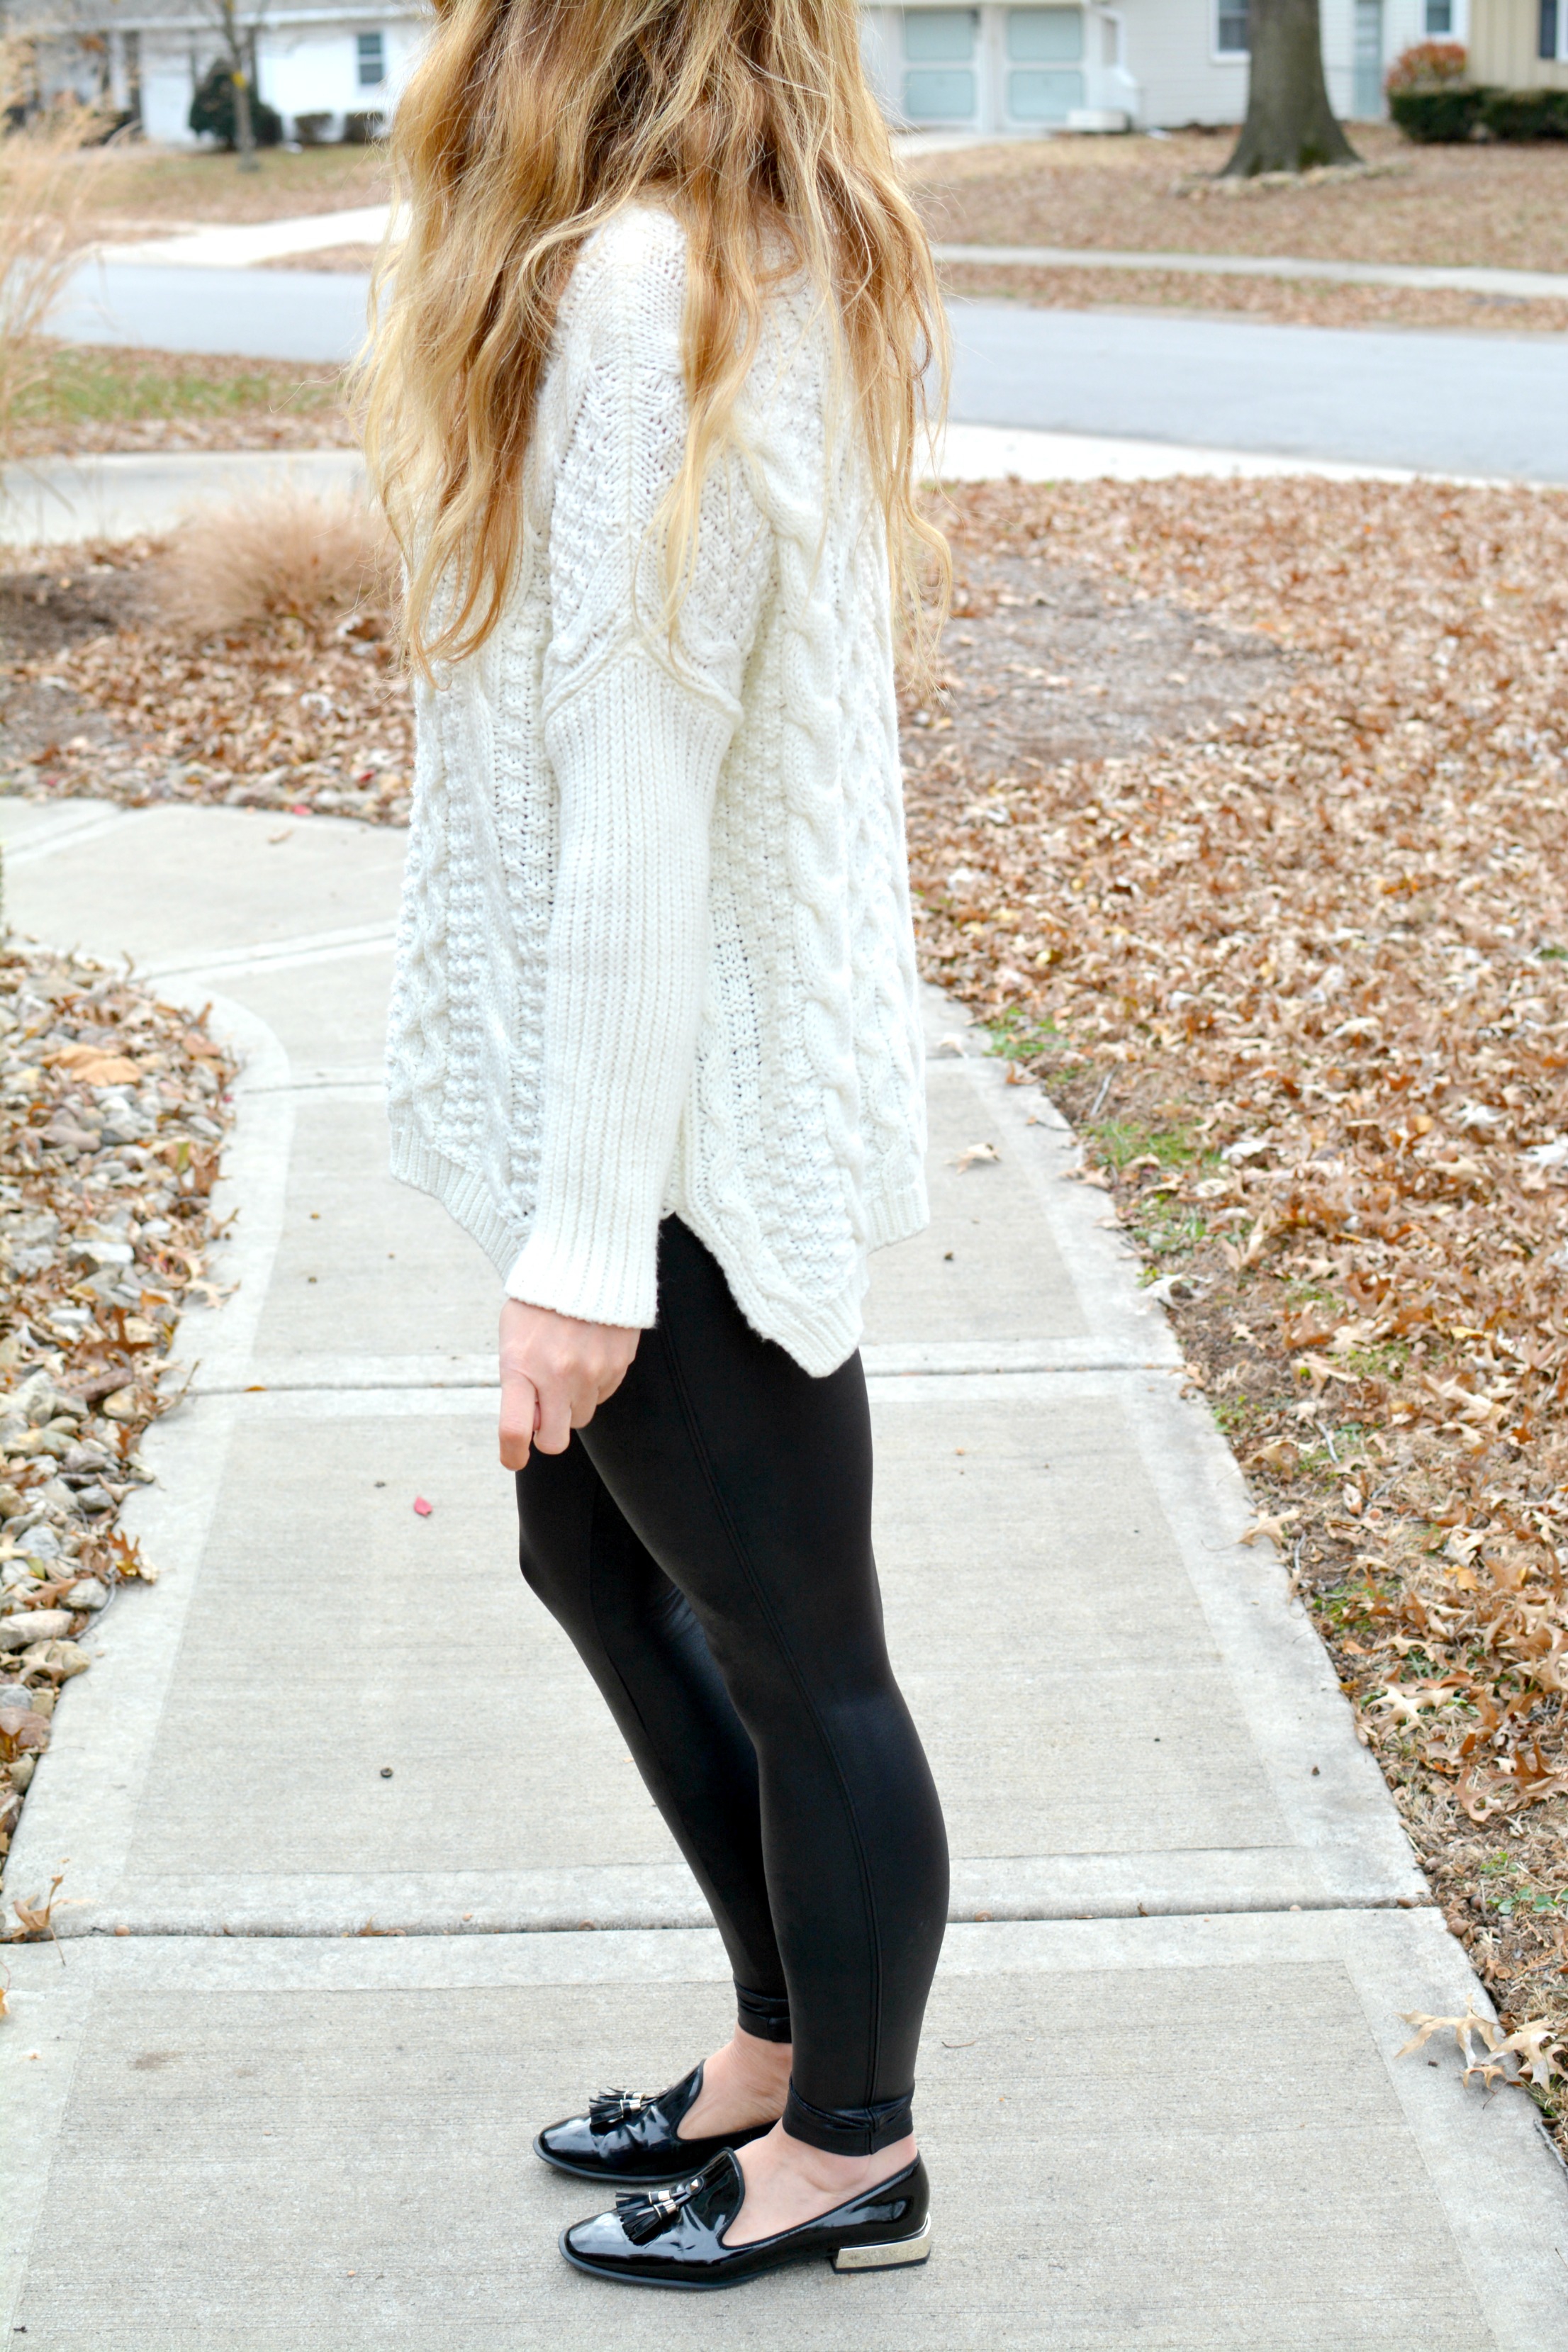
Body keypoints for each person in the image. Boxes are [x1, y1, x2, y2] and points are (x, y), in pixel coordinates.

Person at [363, 0, 951, 2292]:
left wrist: (587, 1239)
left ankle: (853, 2149)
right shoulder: (718, 251)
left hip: (681, 1130)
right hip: (656, 1096)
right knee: (600, 1568)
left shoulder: (648, 281)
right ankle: (774, 2044)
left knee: (808, 1655)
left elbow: (636, 807)